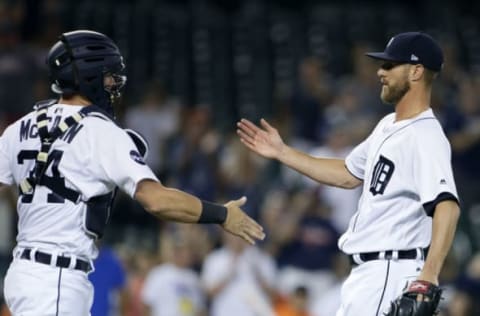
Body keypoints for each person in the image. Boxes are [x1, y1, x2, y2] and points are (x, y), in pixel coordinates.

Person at [0, 30, 264, 316]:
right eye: (108, 76)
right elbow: (156, 200)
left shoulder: (20, 128)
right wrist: (222, 214)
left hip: (23, 274)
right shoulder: (100, 131)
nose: (113, 84)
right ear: (88, 76)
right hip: (58, 278)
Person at [237, 31, 460, 315]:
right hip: (368, 274)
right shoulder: (388, 125)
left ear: (416, 72)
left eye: (391, 65)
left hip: (390, 269)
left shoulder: (426, 134)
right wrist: (283, 152)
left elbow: (447, 206)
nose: (381, 71)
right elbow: (346, 173)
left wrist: (429, 274)